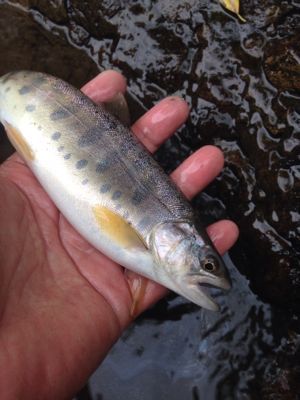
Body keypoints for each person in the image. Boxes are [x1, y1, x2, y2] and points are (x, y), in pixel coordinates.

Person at [0, 70, 239, 399]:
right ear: (178, 234)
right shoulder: (136, 242)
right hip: (22, 89)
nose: (209, 273)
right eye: (207, 264)